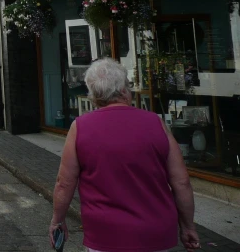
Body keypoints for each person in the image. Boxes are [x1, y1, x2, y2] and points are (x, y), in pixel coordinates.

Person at [49, 58, 201, 252]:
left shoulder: (80, 127)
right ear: (123, 90)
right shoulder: (155, 123)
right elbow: (181, 182)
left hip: (106, 236)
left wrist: (57, 221)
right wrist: (188, 226)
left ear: (94, 96)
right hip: (156, 234)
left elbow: (64, 183)